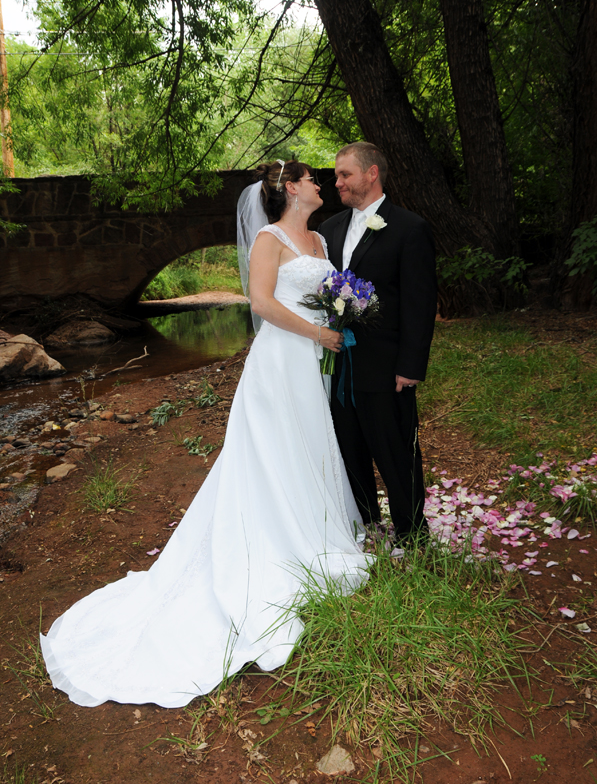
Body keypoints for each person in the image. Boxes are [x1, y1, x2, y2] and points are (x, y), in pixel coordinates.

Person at [40, 161, 371, 709]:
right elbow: (262, 304)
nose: (321, 185)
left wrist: (338, 319)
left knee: (308, 448)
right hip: (280, 362)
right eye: (313, 178)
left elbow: (324, 293)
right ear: (291, 188)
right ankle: (270, 548)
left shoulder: (317, 237)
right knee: (270, 455)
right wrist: (319, 331)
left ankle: (311, 535)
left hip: (312, 361)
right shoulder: (269, 238)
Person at [319, 142, 437, 544]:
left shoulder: (409, 228)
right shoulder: (329, 230)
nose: (337, 183)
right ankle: (365, 525)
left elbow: (420, 303)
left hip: (387, 365)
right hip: (339, 362)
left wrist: (411, 365)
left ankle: (411, 532)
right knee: (349, 447)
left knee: (395, 449)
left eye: (344, 175)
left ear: (371, 174)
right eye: (337, 176)